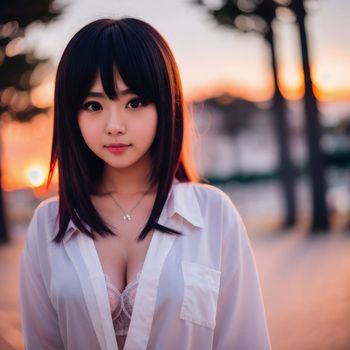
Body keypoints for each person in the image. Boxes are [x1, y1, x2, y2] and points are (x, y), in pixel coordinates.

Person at [19, 17, 272, 350]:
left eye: (134, 102)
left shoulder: (213, 215)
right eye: (93, 105)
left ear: (165, 104)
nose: (114, 125)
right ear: (71, 114)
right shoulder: (48, 225)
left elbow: (245, 341)